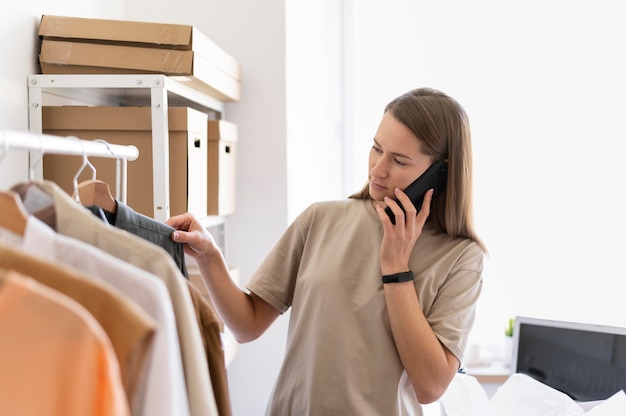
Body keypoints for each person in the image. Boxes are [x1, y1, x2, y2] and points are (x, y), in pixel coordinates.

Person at [167, 87, 486, 415]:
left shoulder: (462, 258)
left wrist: (395, 266)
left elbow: (430, 386)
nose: (378, 169)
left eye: (399, 161)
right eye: (376, 149)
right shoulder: (320, 219)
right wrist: (209, 257)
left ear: (440, 172)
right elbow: (247, 325)